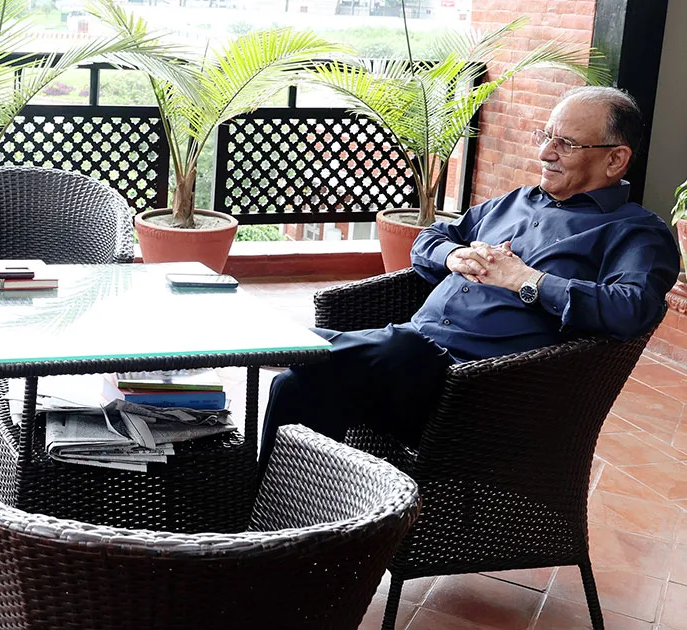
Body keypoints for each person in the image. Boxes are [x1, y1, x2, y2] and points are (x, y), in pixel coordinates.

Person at [259, 86, 681, 463]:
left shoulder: (636, 232)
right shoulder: (514, 203)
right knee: (294, 387)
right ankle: (269, 516)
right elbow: (430, 240)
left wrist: (525, 280)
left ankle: (286, 343)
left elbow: (632, 309)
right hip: (409, 361)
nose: (545, 153)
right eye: (546, 136)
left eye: (565, 144)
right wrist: (455, 256)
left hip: (477, 389)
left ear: (615, 159)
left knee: (401, 347)